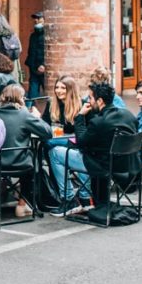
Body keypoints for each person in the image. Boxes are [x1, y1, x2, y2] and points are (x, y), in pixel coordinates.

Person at [47, 81, 137, 216]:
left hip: (102, 166)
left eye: (90, 98)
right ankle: (85, 197)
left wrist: (80, 117)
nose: (88, 101)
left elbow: (82, 142)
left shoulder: (99, 121)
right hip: (126, 165)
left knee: (55, 152)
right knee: (84, 152)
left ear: (99, 101)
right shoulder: (128, 115)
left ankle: (69, 199)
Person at [0, 83, 50, 218]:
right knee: (33, 160)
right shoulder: (23, 114)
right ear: (20, 98)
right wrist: (38, 117)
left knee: (29, 156)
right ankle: (22, 205)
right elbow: (47, 133)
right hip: (18, 163)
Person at [25, 12, 46, 98]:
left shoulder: (48, 35)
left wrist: (44, 65)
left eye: (39, 18)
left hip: (43, 69)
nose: (36, 20)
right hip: (33, 68)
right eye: (35, 18)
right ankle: (31, 110)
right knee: (32, 95)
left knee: (50, 93)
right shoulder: (33, 35)